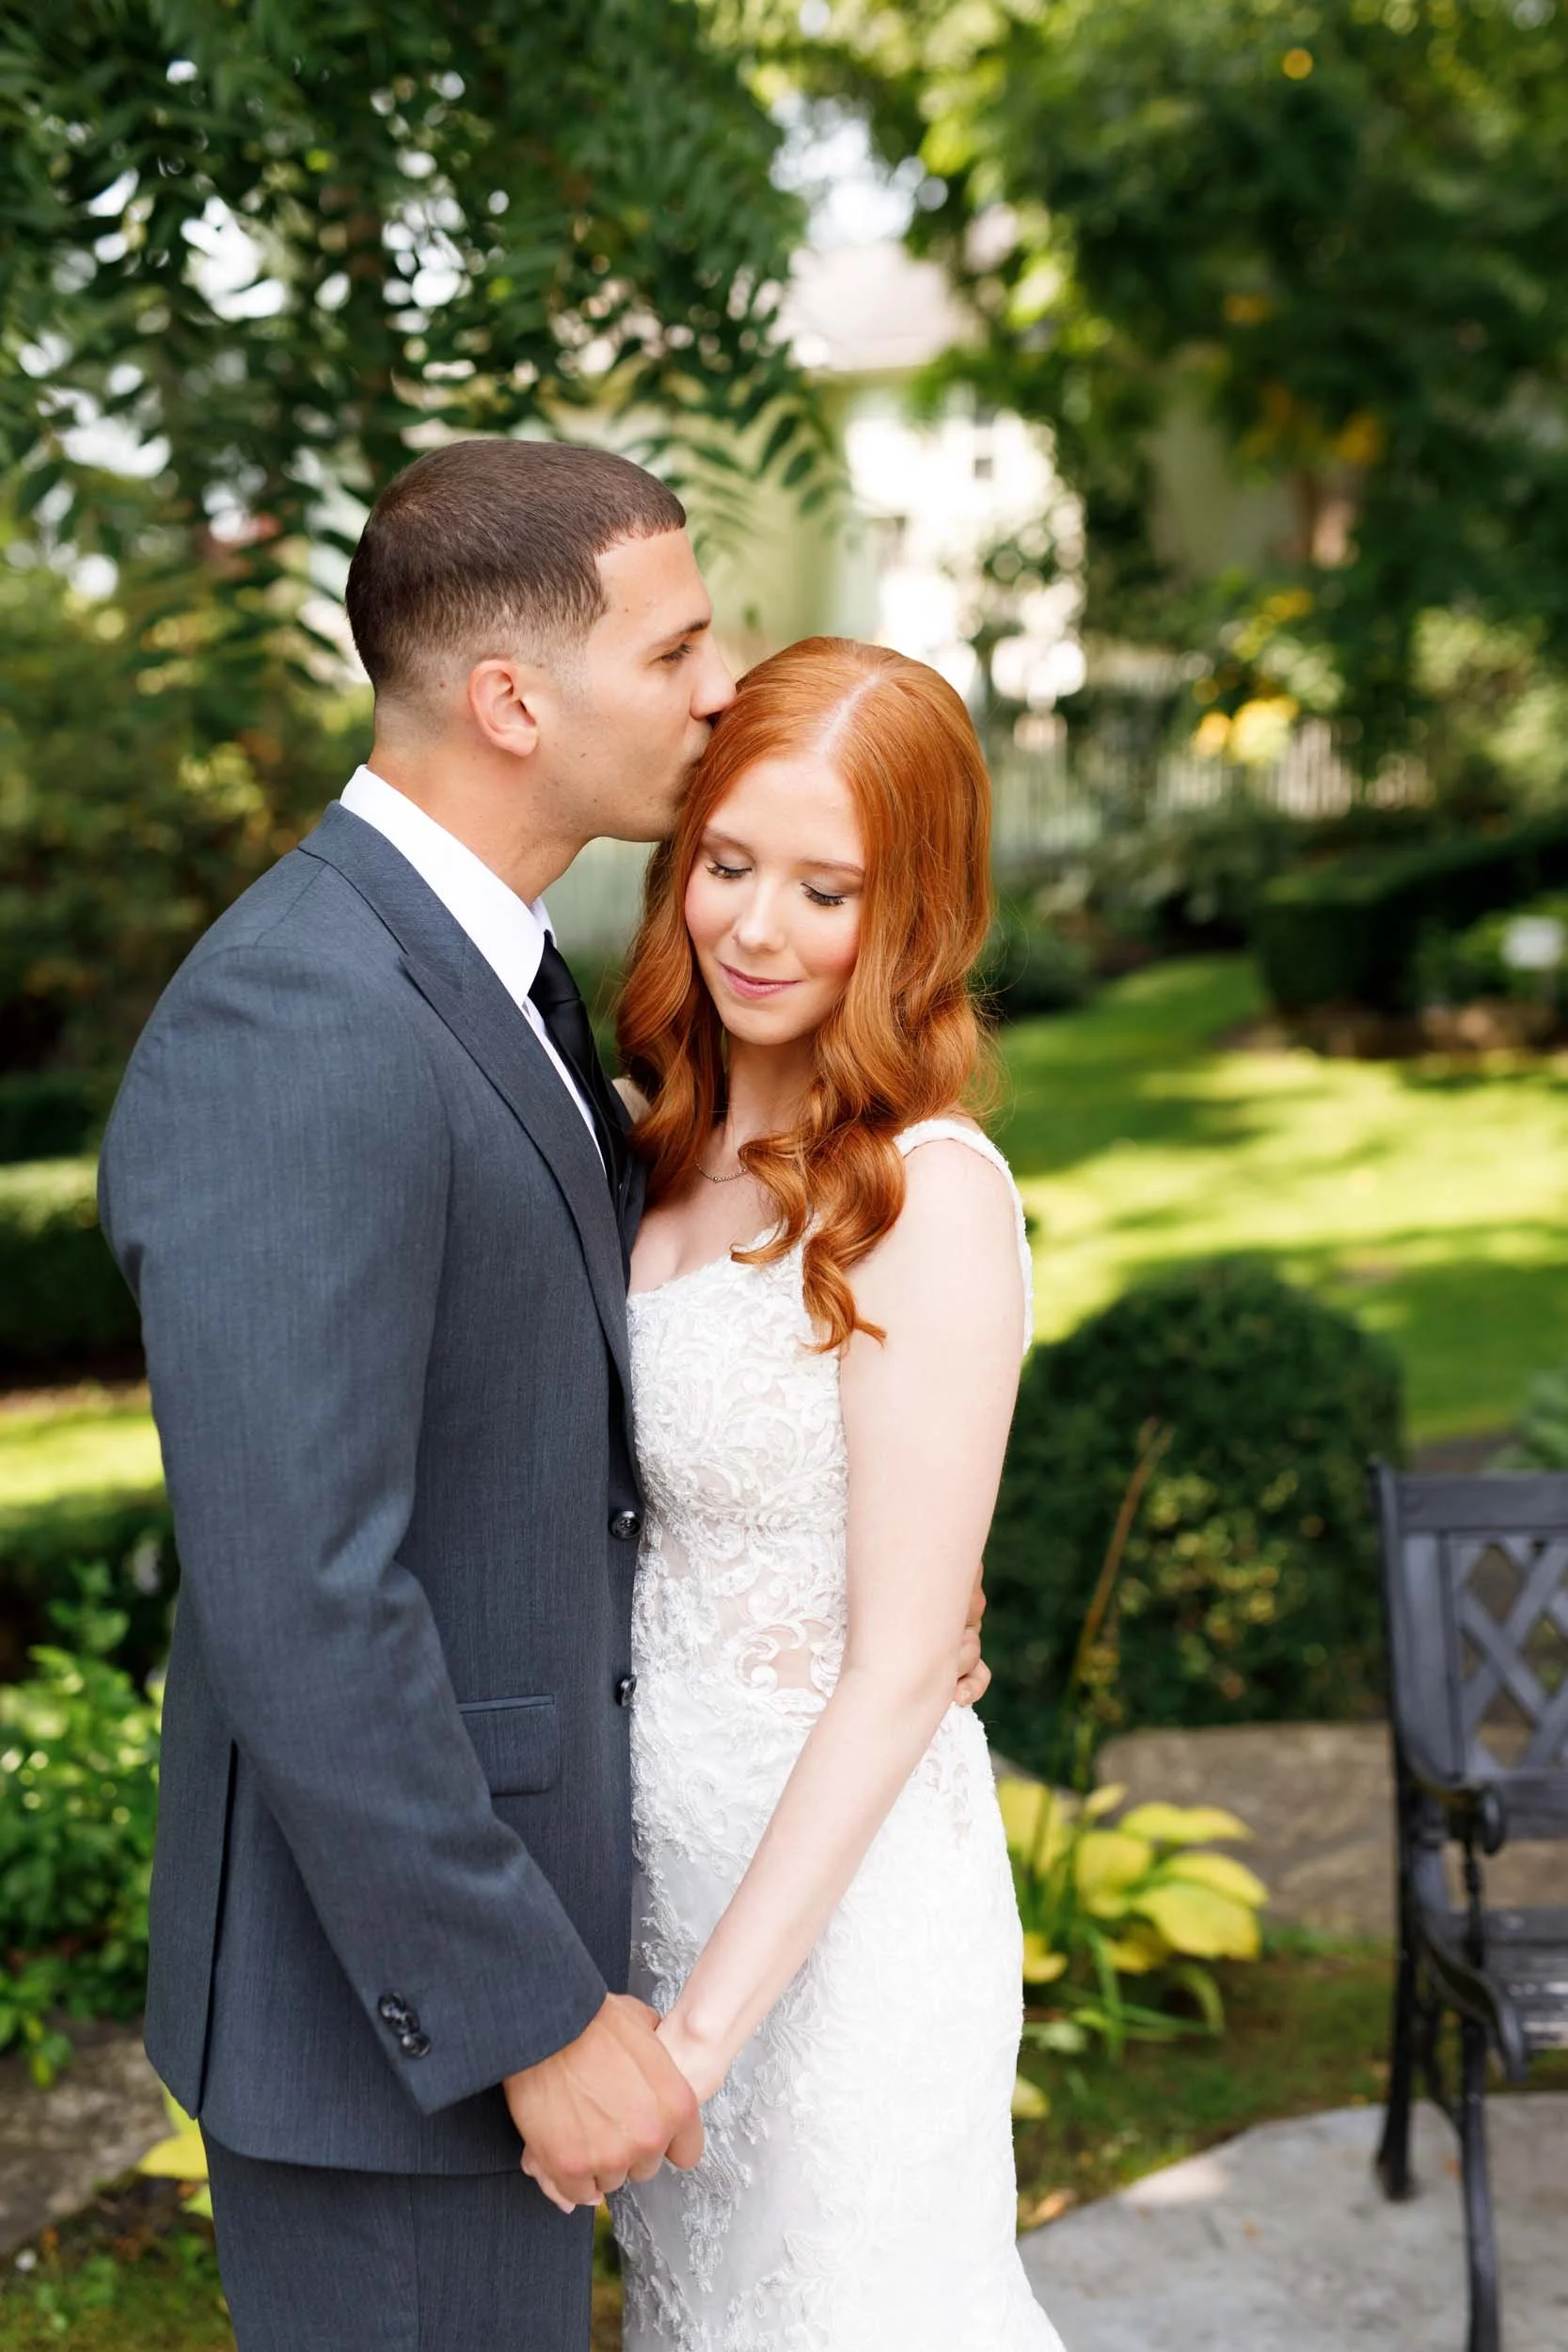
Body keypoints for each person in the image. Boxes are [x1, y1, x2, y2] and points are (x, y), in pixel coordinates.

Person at [96, 439, 988, 2350]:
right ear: (515, 698)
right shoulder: (303, 1017)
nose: (713, 678)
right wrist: (517, 2011)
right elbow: (301, 1594)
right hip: (399, 2026)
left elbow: (537, 1420)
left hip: (582, 1942)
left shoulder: (498, 980)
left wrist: (873, 1605)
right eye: (671, 646)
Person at [582, 637, 1065, 2348]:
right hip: (655, 1879)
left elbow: (891, 1668)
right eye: (726, 864)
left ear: (914, 912)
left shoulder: (928, 1197)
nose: (755, 928)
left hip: (842, 1926)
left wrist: (698, 2041)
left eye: (824, 888)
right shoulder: (639, 1147)